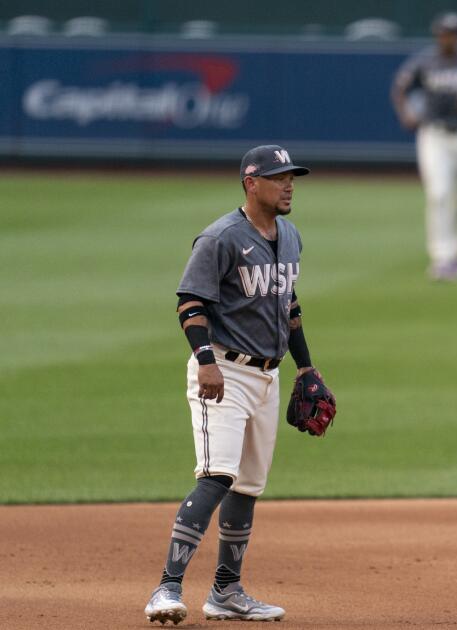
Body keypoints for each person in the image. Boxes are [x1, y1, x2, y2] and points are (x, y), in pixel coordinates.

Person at [143, 145, 331, 624]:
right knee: (217, 475)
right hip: (222, 374)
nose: (290, 185)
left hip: (268, 375)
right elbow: (190, 303)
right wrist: (205, 361)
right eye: (279, 177)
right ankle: (166, 588)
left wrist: (305, 367)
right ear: (251, 183)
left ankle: (226, 591)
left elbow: (288, 305)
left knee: (247, 486)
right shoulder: (221, 238)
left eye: (293, 177)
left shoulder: (289, 236)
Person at [390, 11, 457, 281]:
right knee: (439, 193)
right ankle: (441, 257)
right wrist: (407, 115)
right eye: (443, 33)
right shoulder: (425, 62)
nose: (447, 38)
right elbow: (400, 88)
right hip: (433, 134)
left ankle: (455, 254)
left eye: (452, 33)